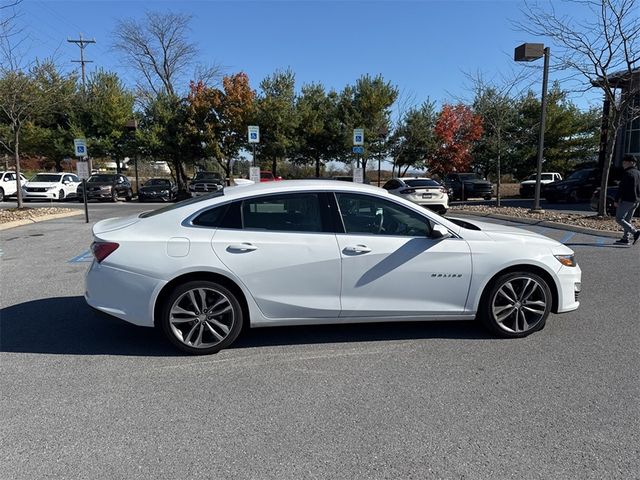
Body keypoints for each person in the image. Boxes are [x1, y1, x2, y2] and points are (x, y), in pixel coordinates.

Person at [613, 154, 640, 245]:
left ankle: (635, 232)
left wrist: (616, 200)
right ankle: (625, 238)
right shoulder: (638, 173)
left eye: (625, 162)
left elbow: (622, 188)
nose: (623, 164)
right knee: (627, 220)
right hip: (636, 201)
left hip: (627, 200)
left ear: (631, 163)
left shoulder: (627, 173)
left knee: (619, 219)